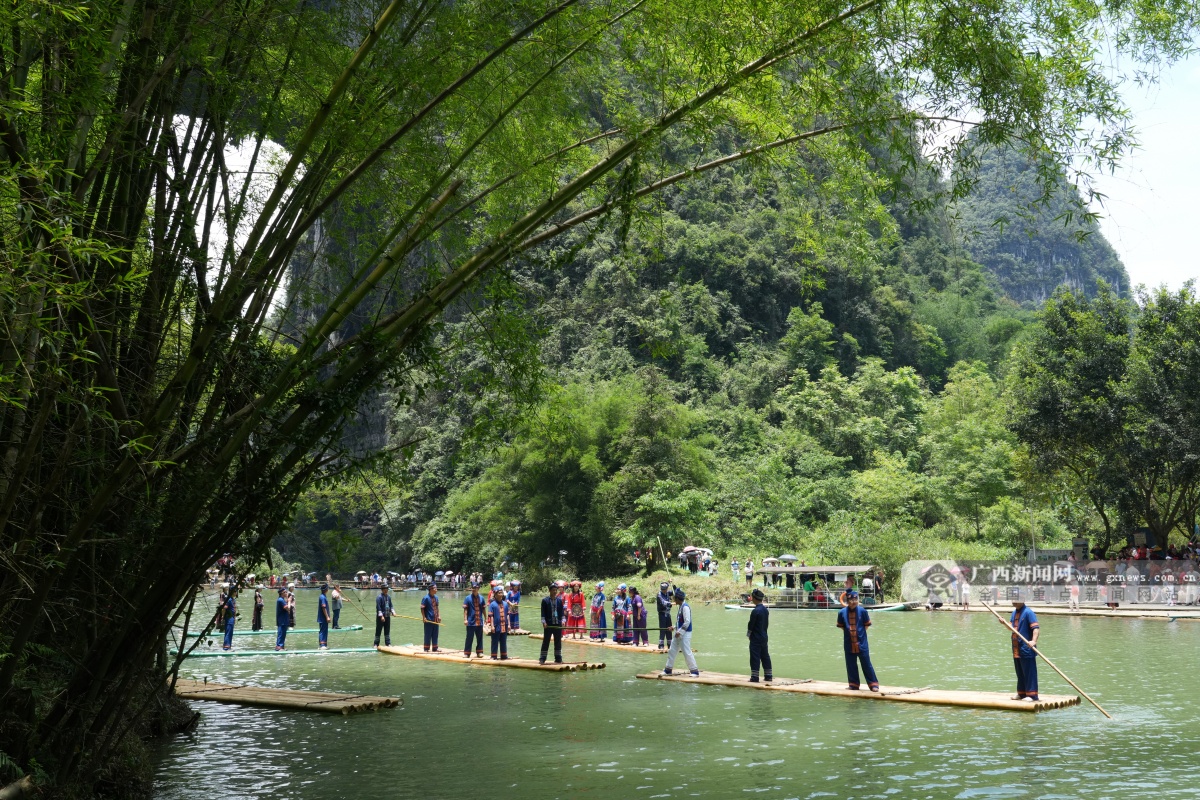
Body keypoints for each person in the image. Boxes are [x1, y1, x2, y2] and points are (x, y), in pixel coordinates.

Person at [837, 590, 879, 691]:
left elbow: (866, 626)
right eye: (851, 599)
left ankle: (873, 684)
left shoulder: (862, 611)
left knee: (866, 663)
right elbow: (842, 627)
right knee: (850, 664)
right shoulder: (841, 613)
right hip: (848, 643)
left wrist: (859, 635)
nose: (854, 601)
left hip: (862, 643)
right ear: (847, 600)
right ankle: (853, 685)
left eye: (855, 599)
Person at [1006, 596, 1040, 701]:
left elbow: (1035, 629)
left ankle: (1032, 695)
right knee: (1020, 672)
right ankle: (1021, 693)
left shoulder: (1028, 612)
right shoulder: (1014, 613)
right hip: (1017, 648)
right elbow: (1011, 627)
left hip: (1026, 648)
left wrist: (1033, 641)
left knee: (1029, 672)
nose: (1014, 602)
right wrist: (1004, 623)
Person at [662, 588, 699, 676]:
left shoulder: (685, 607)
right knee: (672, 650)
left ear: (678, 599)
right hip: (679, 633)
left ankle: (694, 671)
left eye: (674, 598)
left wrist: (680, 631)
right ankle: (668, 670)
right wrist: (674, 627)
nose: (674, 600)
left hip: (685, 634)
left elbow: (687, 621)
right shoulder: (681, 607)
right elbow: (680, 621)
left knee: (686, 651)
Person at [539, 581, 568, 664]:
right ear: (549, 590)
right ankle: (542, 658)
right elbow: (543, 613)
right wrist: (544, 622)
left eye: (556, 590)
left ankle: (558, 658)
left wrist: (563, 621)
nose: (555, 592)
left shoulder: (559, 601)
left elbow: (562, 613)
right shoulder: (545, 601)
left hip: (557, 625)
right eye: (553, 590)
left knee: (558, 641)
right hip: (548, 625)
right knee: (546, 641)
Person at [747, 588, 772, 683]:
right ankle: (768, 676)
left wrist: (749, 635)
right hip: (764, 636)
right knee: (765, 656)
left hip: (756, 637)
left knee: (755, 656)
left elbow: (751, 625)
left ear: (754, 598)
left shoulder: (755, 611)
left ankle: (754, 677)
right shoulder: (765, 610)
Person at [463, 583, 486, 658]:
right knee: (469, 637)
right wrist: (465, 619)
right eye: (473, 587)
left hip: (479, 621)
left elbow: (483, 609)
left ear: (478, 588)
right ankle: (467, 653)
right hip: (471, 621)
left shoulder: (482, 598)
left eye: (475, 587)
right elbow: (465, 610)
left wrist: (486, 618)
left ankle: (479, 652)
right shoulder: (468, 598)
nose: (474, 589)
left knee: (479, 638)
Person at [487, 586, 510, 660]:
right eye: (499, 593)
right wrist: (492, 626)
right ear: (495, 594)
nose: (501, 594)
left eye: (502, 593)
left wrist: (509, 625)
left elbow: (508, 615)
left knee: (503, 641)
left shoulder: (505, 604)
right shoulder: (492, 604)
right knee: (495, 641)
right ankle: (493, 656)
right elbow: (491, 616)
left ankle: (504, 656)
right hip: (496, 626)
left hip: (504, 625)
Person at [421, 583, 441, 651]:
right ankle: (426, 648)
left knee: (435, 634)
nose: (436, 589)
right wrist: (424, 617)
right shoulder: (426, 598)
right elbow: (422, 608)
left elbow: (437, 607)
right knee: (428, 634)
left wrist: (439, 616)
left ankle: (435, 648)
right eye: (435, 588)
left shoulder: (436, 597)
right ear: (430, 589)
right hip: (429, 620)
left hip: (435, 619)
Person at [655, 582, 674, 651]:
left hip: (668, 614)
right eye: (663, 589)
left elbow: (675, 591)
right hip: (662, 614)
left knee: (669, 629)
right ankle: (661, 645)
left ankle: (670, 644)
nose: (664, 590)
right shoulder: (659, 595)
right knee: (663, 629)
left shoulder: (668, 593)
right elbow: (663, 603)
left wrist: (673, 585)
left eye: (665, 589)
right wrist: (671, 603)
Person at [317, 584, 332, 649]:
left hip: (324, 618)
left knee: (325, 631)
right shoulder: (322, 597)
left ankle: (324, 644)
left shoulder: (324, 596)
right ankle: (322, 645)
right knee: (323, 631)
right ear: (326, 589)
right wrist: (327, 617)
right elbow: (323, 607)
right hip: (323, 618)